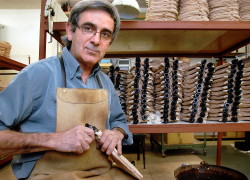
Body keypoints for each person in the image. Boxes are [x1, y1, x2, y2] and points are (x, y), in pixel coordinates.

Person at [0, 0, 134, 179]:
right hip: (50, 174)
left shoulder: (105, 82)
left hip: (102, 172)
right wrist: (55, 140)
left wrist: (117, 134)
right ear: (70, 31)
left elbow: (120, 121)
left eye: (105, 34)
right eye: (88, 28)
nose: (96, 40)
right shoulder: (38, 74)